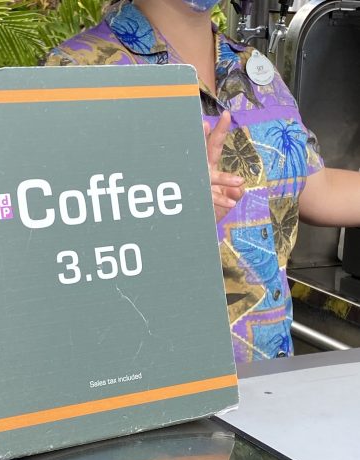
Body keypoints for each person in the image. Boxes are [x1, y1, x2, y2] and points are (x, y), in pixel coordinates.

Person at [45, 0, 360, 362]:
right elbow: (55, 244)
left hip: (271, 371)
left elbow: (316, 188)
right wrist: (168, 212)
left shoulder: (254, 69)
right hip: (162, 372)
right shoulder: (77, 71)